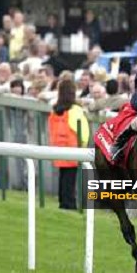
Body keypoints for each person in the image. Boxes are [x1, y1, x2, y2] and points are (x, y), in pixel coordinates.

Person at [48, 77, 89, 210]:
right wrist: (83, 145)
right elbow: (83, 132)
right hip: (72, 147)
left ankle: (62, 201)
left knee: (62, 176)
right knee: (70, 178)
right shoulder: (75, 110)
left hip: (58, 147)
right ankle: (69, 203)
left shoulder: (55, 110)